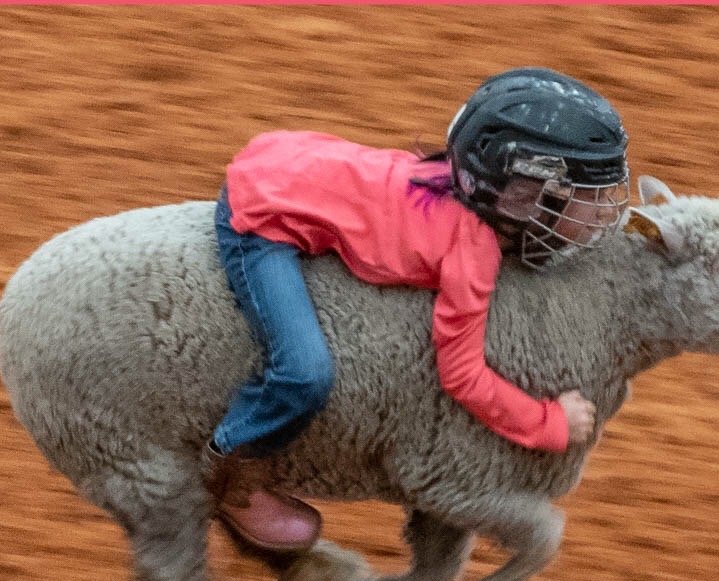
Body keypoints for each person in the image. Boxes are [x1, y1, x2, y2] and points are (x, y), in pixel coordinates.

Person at [207, 67, 629, 554]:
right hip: (257, 216)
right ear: (523, 196)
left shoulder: (467, 187)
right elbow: (462, 375)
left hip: (289, 156)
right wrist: (549, 422)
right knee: (304, 374)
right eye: (587, 196)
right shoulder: (472, 254)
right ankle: (228, 472)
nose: (602, 212)